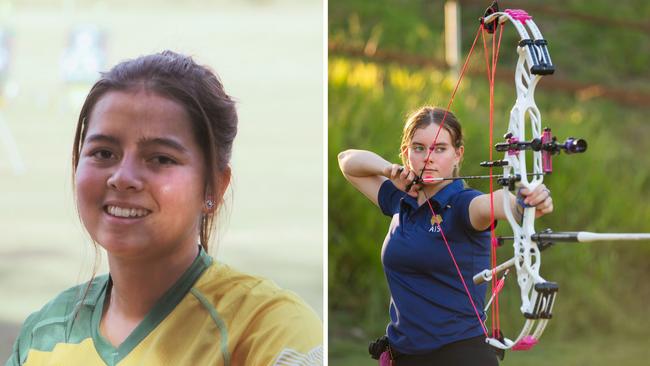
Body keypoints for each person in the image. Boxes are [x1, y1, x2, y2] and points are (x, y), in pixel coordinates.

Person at [6, 51, 322, 366]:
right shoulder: (43, 336)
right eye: (103, 153)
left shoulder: (269, 329)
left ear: (214, 186)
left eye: (160, 158)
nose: (122, 178)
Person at [338, 106, 553, 366]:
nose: (428, 158)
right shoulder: (400, 200)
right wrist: (389, 171)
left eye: (440, 149)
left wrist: (525, 203)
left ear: (457, 154)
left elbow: (495, 203)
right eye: (419, 148)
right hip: (404, 356)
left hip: (460, 356)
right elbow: (347, 161)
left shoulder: (464, 205)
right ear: (406, 153)